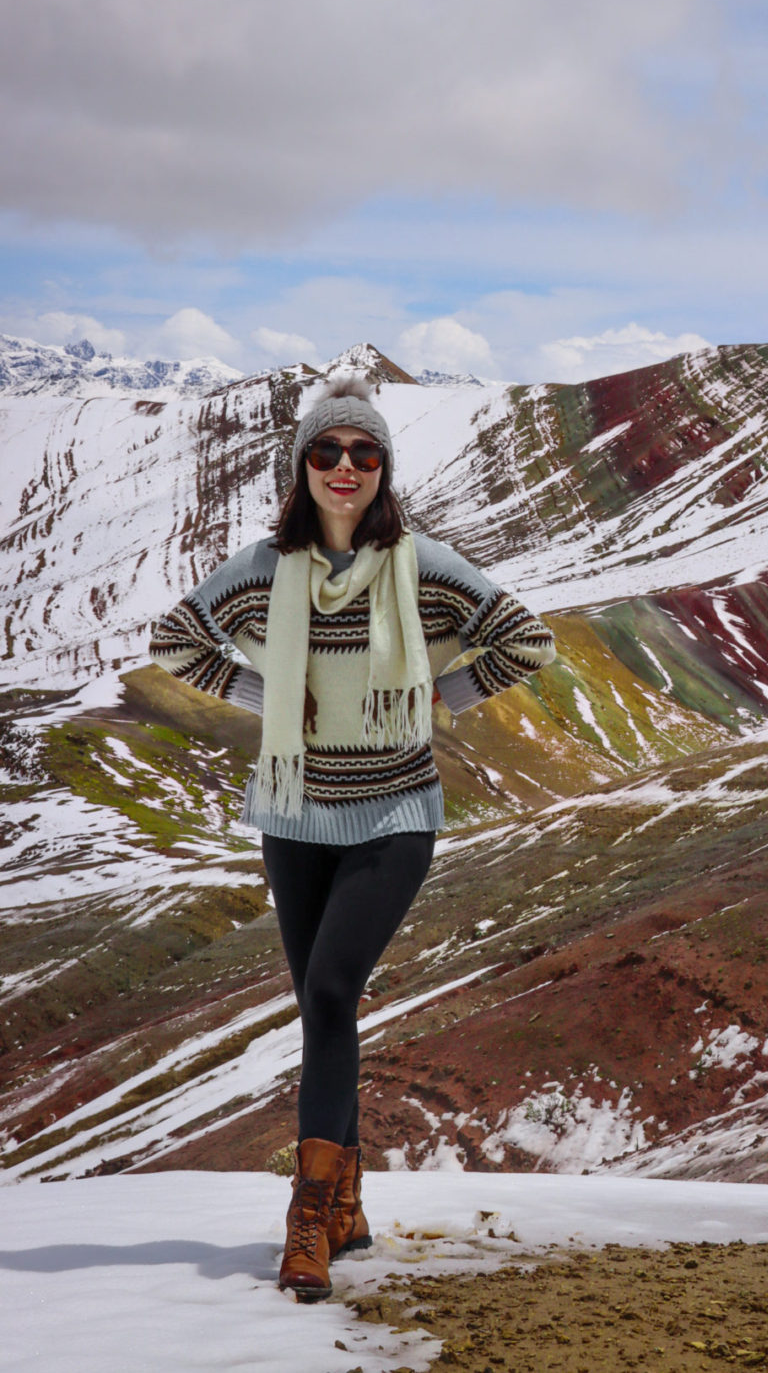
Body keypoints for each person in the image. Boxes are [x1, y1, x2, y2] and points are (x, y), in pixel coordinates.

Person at [149, 374, 557, 1301]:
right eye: (327, 451)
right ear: (302, 465)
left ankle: (306, 1225)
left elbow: (525, 640)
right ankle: (350, 1208)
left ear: (384, 468)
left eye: (364, 453)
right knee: (321, 1008)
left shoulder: (426, 564)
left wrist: (434, 698)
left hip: (393, 814)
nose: (345, 468)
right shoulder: (263, 568)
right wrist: (263, 696)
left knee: (331, 990)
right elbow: (175, 640)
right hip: (293, 812)